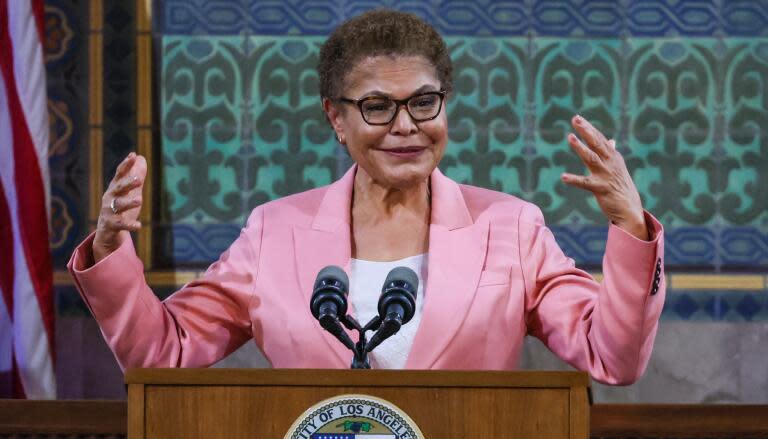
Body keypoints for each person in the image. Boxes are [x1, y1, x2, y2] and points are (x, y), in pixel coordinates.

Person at [68, 9, 665, 385]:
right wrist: (111, 253)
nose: (405, 126)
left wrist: (631, 228)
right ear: (336, 117)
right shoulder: (275, 232)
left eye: (424, 102)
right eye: (377, 106)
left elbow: (610, 357)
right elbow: (162, 354)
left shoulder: (510, 227)